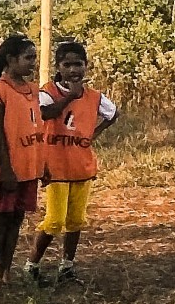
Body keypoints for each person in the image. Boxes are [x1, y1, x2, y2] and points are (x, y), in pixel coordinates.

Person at [29, 38, 118, 285]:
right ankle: (32, 264)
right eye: (67, 65)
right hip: (55, 165)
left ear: (86, 66)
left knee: (76, 220)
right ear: (59, 67)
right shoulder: (48, 92)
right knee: (55, 220)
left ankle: (67, 265)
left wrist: (93, 134)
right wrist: (70, 97)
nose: (73, 70)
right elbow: (46, 113)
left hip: (81, 165)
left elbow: (113, 114)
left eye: (78, 64)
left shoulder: (94, 96)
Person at [0, 34, 45, 292]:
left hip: (29, 165)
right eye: (28, 58)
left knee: (17, 218)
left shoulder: (32, 90)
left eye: (34, 58)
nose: (33, 63)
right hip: (9, 166)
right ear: (11, 60)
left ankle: (6, 271)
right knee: (2, 218)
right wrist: (4, 165)